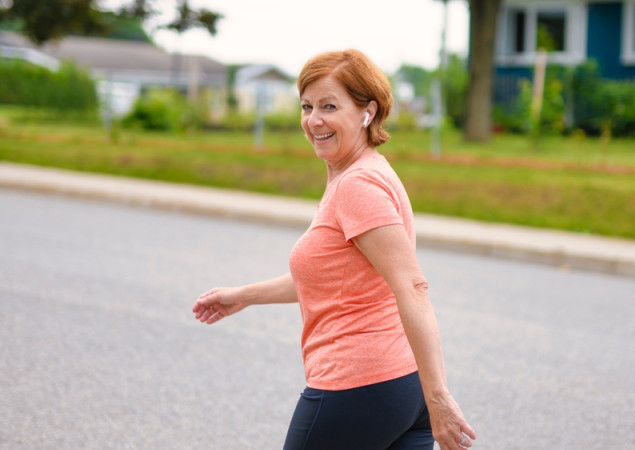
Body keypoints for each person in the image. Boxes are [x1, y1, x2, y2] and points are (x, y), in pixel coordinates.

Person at [192, 49, 476, 450]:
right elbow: (332, 279)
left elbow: (412, 287)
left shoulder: (357, 187)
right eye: (307, 106)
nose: (314, 120)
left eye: (329, 106)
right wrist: (243, 296)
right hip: (400, 387)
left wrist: (439, 397)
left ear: (367, 112)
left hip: (358, 386)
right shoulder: (367, 171)